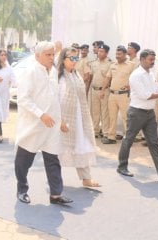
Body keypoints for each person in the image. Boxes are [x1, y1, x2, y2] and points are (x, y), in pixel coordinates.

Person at [14, 41, 73, 205]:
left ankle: (55, 194)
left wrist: (60, 120)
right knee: (23, 161)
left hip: (52, 125)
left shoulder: (53, 71)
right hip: (33, 125)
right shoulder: (30, 72)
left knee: (53, 159)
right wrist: (41, 115)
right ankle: (22, 190)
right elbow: (23, 99)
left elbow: (55, 99)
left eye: (52, 54)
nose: (51, 57)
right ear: (37, 56)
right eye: (47, 54)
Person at [117, 49, 158, 181]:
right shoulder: (136, 75)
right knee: (128, 139)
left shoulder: (150, 74)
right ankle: (122, 166)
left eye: (154, 59)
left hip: (149, 114)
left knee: (154, 143)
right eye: (150, 60)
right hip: (137, 113)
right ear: (142, 59)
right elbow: (145, 95)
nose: (153, 62)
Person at [57, 47, 100, 188]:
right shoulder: (59, 77)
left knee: (82, 146)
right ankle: (54, 179)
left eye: (77, 58)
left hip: (79, 119)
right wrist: (60, 120)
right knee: (58, 150)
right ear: (63, 60)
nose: (75, 61)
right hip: (64, 121)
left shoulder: (77, 75)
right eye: (72, 58)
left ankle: (86, 179)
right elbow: (55, 101)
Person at [100, 45, 135, 144]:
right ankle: (111, 137)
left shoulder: (131, 65)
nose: (117, 56)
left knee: (125, 117)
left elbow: (136, 78)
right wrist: (102, 91)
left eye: (119, 54)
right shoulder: (113, 65)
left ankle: (128, 138)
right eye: (116, 54)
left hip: (124, 95)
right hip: (112, 94)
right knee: (112, 117)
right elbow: (107, 78)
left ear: (125, 54)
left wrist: (131, 86)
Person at [89, 44, 111, 139]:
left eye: (102, 51)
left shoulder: (110, 64)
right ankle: (95, 131)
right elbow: (91, 76)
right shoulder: (93, 63)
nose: (99, 53)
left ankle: (105, 132)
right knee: (95, 112)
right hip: (94, 90)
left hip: (104, 91)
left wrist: (102, 90)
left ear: (106, 53)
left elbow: (109, 78)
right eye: (98, 51)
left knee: (105, 112)